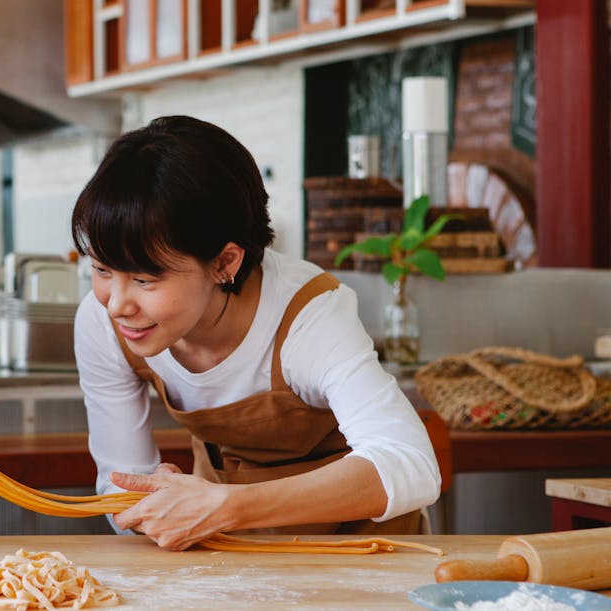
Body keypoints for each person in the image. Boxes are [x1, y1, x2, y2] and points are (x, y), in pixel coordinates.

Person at [70, 116, 440, 551]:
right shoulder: (103, 325)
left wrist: (228, 506)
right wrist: (146, 501)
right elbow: (117, 487)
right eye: (101, 269)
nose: (117, 303)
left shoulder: (308, 315)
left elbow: (411, 465)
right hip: (233, 558)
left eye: (146, 280)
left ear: (225, 262)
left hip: (368, 556)